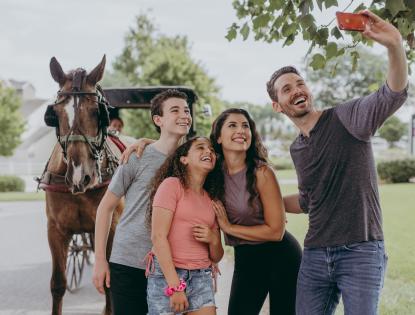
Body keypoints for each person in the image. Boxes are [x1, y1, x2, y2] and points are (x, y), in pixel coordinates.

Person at [266, 10, 408, 315]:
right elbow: (308, 200)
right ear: (278, 106)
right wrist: (267, 202)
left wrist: (395, 46)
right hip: (315, 254)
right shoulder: (297, 148)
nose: (297, 90)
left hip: (361, 251)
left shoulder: (346, 118)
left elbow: (391, 94)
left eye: (300, 83)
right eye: (287, 89)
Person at [92, 89, 192, 315]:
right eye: (175, 110)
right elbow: (105, 208)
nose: (184, 115)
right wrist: (100, 260)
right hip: (128, 262)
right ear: (158, 120)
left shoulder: (192, 160)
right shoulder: (137, 156)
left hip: (173, 267)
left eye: (186, 110)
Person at [210, 108, 302, 315]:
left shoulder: (262, 172)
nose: (241, 130)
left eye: (246, 126)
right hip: (246, 257)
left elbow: (276, 232)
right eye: (232, 125)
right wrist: (144, 142)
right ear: (218, 137)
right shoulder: (212, 174)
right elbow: (181, 152)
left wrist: (229, 228)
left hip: (281, 257)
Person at [146, 136, 223, 315]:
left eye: (211, 150)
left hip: (201, 275)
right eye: (200, 148)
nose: (209, 152)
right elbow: (158, 237)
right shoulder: (171, 186)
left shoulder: (212, 199)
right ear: (184, 159)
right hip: (168, 274)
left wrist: (213, 240)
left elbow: (216, 256)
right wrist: (175, 286)